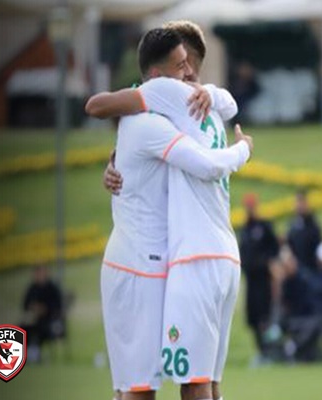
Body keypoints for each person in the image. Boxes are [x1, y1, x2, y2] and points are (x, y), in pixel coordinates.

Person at [88, 20, 250, 400]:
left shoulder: (191, 109)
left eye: (191, 65)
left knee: (186, 382)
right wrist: (244, 148)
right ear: (159, 79)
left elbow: (223, 105)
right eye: (182, 65)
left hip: (176, 263)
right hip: (141, 265)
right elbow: (97, 106)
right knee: (146, 388)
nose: (189, 75)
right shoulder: (160, 113)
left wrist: (117, 163)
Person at [238, 193, 280, 361]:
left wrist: (267, 262)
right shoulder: (245, 229)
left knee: (265, 316)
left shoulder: (263, 226)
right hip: (251, 280)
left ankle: (269, 351)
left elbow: (274, 247)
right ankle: (261, 351)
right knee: (253, 317)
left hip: (263, 280)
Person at [21, 266, 64, 363]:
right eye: (37, 273)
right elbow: (25, 304)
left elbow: (57, 306)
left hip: (50, 321)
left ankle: (35, 353)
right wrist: (33, 307)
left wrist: (44, 309)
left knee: (41, 329)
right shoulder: (32, 288)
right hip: (33, 320)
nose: (39, 276)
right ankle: (23, 353)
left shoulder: (52, 288)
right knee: (22, 329)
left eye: (41, 273)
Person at [287, 189, 322, 271]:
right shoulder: (292, 223)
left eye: (302, 202)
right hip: (297, 267)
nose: (299, 205)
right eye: (297, 202)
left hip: (311, 266)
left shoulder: (313, 223)